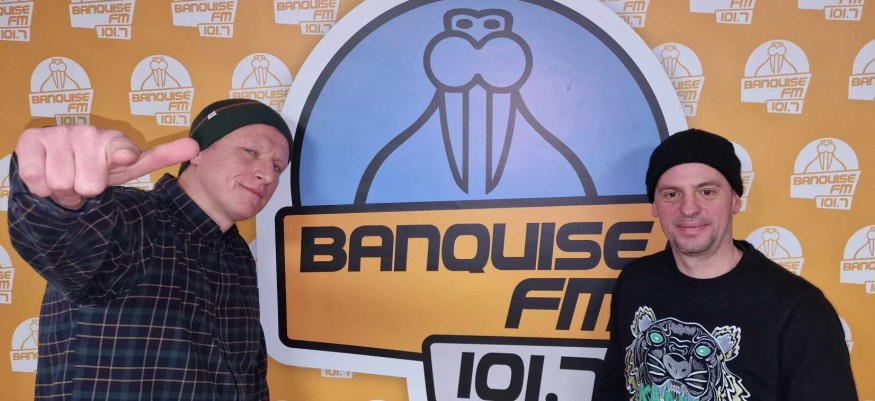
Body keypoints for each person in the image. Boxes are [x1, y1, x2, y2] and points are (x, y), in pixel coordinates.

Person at [8, 99, 293, 400]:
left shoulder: (238, 254)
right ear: (196, 153)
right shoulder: (131, 218)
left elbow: (248, 376)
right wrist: (57, 197)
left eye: (277, 167)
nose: (268, 174)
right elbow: (61, 237)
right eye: (250, 151)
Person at [595, 129, 857, 401]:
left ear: (734, 200)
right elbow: (612, 390)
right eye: (672, 194)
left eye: (707, 192)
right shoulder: (635, 282)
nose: (688, 208)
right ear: (655, 206)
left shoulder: (800, 309)